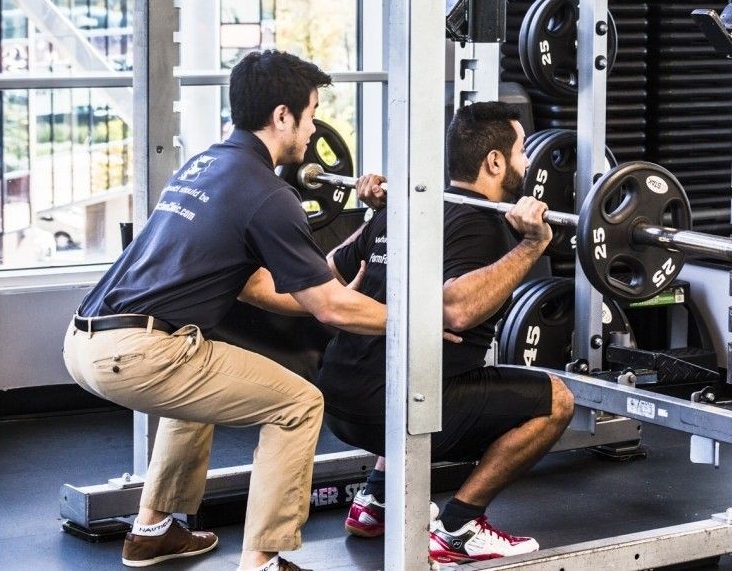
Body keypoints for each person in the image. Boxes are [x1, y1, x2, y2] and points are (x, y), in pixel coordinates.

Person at [62, 50, 388, 571]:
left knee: (203, 375)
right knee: (299, 404)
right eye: (310, 114)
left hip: (85, 342)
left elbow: (256, 286)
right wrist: (415, 322)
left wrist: (331, 288)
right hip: (138, 353)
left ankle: (152, 531)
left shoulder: (204, 165)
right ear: (282, 116)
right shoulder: (268, 192)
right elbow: (330, 309)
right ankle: (262, 561)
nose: (313, 131)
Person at [317, 101, 576, 564]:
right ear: (494, 161)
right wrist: (533, 243)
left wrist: (376, 218)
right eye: (521, 151)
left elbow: (327, 270)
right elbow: (456, 310)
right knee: (558, 400)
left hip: (337, 398)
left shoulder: (406, 209)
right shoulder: (483, 223)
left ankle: (376, 500)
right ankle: (460, 527)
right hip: (387, 409)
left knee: (419, 371)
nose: (526, 163)